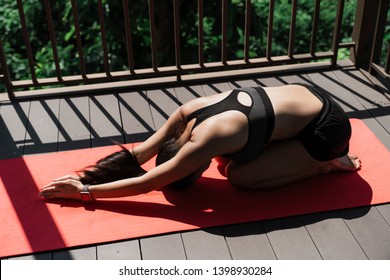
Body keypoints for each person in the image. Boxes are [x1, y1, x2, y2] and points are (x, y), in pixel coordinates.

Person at [40, 83, 361, 202]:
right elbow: (138, 155)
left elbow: (146, 183)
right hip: (310, 93)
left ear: (195, 163)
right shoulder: (185, 114)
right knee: (235, 158)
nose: (206, 169)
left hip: (326, 132)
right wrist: (85, 175)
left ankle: (327, 164)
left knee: (239, 176)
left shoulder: (207, 143)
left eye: (195, 170)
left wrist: (84, 192)